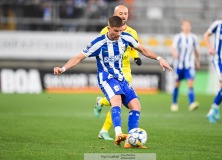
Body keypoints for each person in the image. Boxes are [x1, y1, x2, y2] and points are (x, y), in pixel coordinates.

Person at [53, 16, 172, 148]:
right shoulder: (98, 43)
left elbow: (143, 50)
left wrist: (159, 58)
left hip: (121, 77)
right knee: (117, 100)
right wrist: (62, 68)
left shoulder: (126, 37)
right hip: (106, 78)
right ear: (109, 28)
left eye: (120, 30)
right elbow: (78, 58)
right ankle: (118, 133)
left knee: (136, 105)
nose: (118, 34)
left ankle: (132, 140)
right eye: (116, 31)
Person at [94, 5, 142, 141]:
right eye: (120, 13)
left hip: (125, 69)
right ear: (115, 14)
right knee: (117, 100)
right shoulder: (106, 30)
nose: (123, 15)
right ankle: (105, 130)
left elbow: (133, 47)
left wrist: (136, 57)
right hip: (111, 70)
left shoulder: (132, 32)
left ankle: (101, 104)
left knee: (122, 100)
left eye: (125, 13)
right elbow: (101, 47)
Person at [170, 20, 200, 112]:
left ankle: (192, 103)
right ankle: (174, 103)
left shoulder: (194, 38)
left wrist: (197, 61)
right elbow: (173, 48)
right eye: (185, 25)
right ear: (182, 27)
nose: (186, 27)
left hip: (189, 65)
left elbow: (196, 50)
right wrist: (175, 53)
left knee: (190, 84)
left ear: (190, 27)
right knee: (177, 85)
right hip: (179, 65)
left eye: (188, 25)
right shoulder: (178, 37)